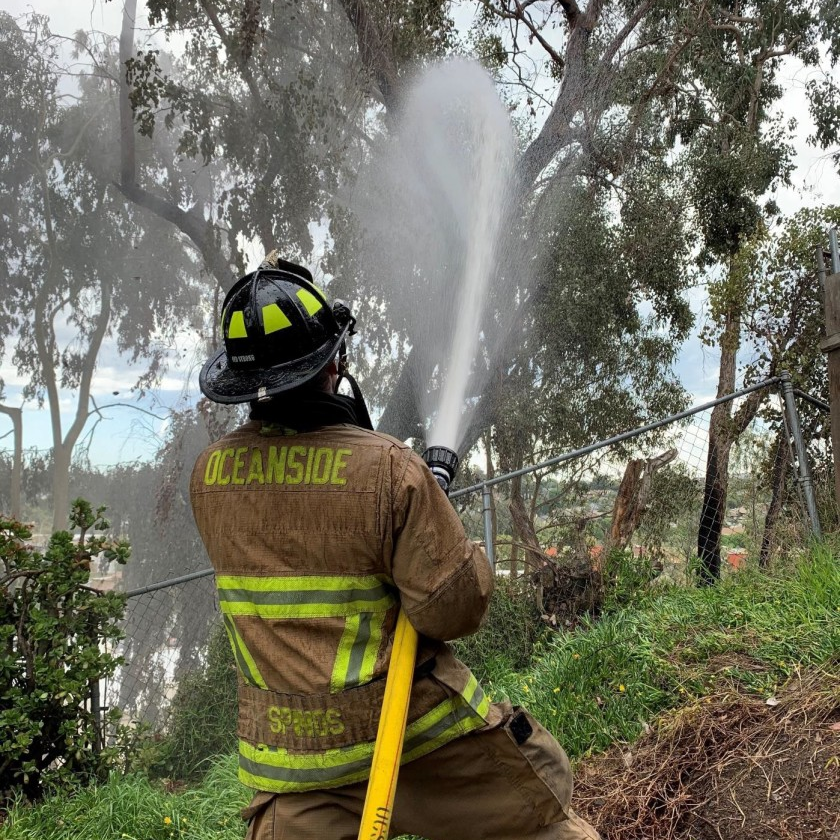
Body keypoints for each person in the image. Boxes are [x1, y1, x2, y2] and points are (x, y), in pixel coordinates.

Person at [190, 253, 600, 840]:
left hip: (294, 771)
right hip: (416, 740)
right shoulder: (387, 472)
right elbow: (456, 609)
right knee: (543, 794)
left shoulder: (209, 478)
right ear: (332, 365)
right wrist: (430, 516)